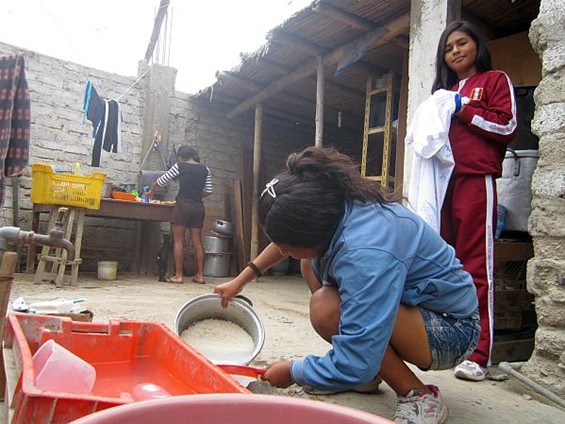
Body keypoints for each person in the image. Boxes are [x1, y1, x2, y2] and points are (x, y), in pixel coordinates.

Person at [214, 146, 480, 424]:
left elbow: (356, 360)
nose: (283, 251)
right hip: (412, 308)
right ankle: (373, 373)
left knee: (327, 308)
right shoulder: (331, 206)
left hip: (451, 329)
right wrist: (240, 280)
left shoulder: (364, 252)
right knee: (309, 263)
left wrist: (294, 371)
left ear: (310, 229)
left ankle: (419, 396)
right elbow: (285, 242)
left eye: (287, 247)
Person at [432, 21, 517, 381]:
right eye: (448, 47)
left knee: (475, 264)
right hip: (443, 183)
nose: (455, 51)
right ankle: (452, 344)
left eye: (461, 43)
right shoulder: (444, 92)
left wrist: (462, 109)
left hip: (475, 180)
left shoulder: (495, 80)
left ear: (477, 45)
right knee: (445, 265)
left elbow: (507, 126)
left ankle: (480, 354)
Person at [147, 145, 213, 284]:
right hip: (198, 207)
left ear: (182, 157)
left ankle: (179, 276)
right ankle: (200, 276)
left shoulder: (180, 166)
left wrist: (151, 190)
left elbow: (162, 180)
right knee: (197, 242)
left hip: (183, 205)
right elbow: (209, 190)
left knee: (179, 241)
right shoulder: (205, 169)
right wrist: (196, 194)